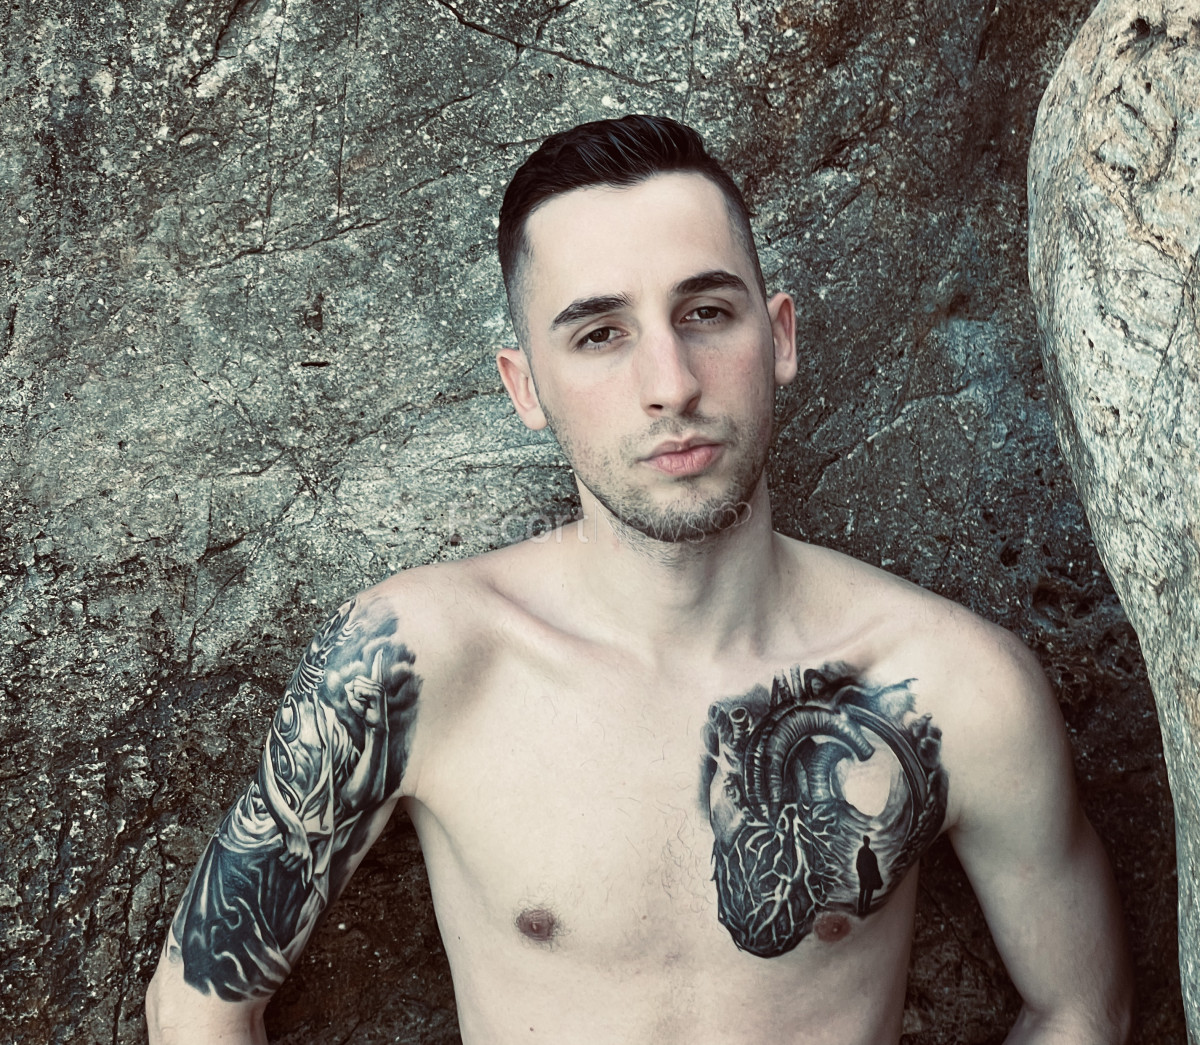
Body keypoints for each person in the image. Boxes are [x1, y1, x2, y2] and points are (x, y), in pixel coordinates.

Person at [146, 114, 1133, 1044]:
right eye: (600, 334)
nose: (671, 382)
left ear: (780, 337)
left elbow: (1082, 1009)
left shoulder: (951, 687)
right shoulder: (415, 659)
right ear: (525, 385)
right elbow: (196, 1005)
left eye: (706, 312)